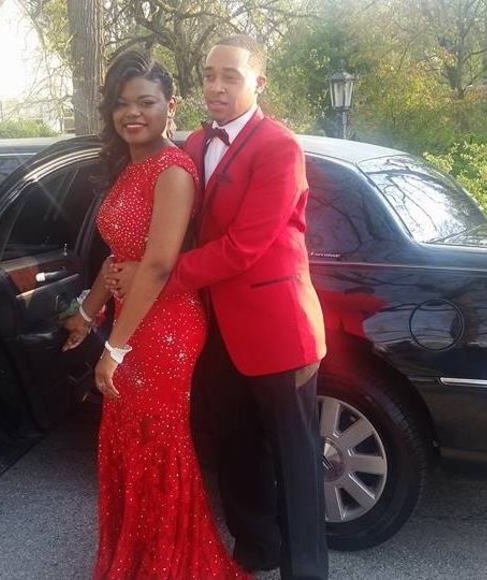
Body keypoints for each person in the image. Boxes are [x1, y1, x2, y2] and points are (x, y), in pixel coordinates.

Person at [107, 36, 329, 580]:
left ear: (258, 82)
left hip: (277, 329)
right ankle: (255, 550)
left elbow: (243, 247)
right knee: (234, 447)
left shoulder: (279, 146)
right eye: (209, 75)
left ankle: (305, 571)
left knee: (295, 460)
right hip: (213, 330)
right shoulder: (196, 141)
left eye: (231, 75)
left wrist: (158, 276)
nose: (217, 86)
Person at [62, 50, 249, 580]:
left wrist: (113, 347)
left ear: (171, 105)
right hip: (132, 319)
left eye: (146, 102)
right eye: (122, 103)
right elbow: (118, 257)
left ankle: (169, 563)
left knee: (157, 444)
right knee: (128, 440)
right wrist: (87, 313)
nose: (133, 113)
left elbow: (161, 264)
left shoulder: (173, 171)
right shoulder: (130, 166)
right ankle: (138, 554)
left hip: (165, 328)